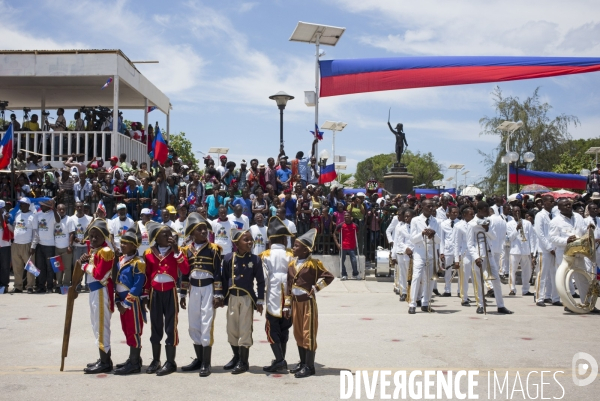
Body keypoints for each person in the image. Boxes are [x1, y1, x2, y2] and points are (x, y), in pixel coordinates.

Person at [284, 228, 334, 378]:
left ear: (306, 250)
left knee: (308, 333)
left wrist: (317, 288)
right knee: (298, 332)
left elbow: (329, 277)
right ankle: (303, 361)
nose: (293, 248)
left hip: (308, 303)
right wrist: (287, 305)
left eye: (296, 246)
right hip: (295, 303)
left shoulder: (313, 264)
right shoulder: (291, 265)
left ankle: (309, 366)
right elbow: (288, 285)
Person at [143, 221, 190, 375]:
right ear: (157, 237)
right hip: (155, 293)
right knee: (155, 326)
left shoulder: (177, 251)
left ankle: (170, 362)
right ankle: (156, 360)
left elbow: (185, 269)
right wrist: (146, 295)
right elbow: (146, 276)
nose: (170, 237)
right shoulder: (149, 253)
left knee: (171, 327)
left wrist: (177, 252)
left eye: (170, 234)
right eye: (165, 235)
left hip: (170, 292)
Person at [180, 213, 223, 377]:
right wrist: (183, 294)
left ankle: (206, 362)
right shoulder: (187, 250)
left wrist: (218, 294)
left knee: (206, 323)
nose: (204, 232)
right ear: (192, 233)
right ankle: (198, 359)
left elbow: (217, 273)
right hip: (193, 289)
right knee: (193, 323)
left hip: (208, 289)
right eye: (200, 229)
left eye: (205, 229)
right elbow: (185, 274)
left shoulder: (214, 249)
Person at [221, 229, 265, 374]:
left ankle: (244, 362)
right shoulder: (228, 258)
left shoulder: (255, 259)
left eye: (251, 239)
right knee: (232, 329)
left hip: (247, 298)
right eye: (245, 240)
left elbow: (260, 281)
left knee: (245, 329)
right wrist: (221, 297)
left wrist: (259, 300)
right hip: (232, 297)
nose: (250, 242)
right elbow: (224, 278)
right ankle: (236, 356)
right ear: (236, 243)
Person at [550, 199, 599, 314]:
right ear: (559, 208)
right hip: (565, 254)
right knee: (563, 280)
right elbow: (553, 238)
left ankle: (588, 304)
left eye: (569, 204)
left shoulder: (578, 217)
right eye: (565, 205)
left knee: (582, 279)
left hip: (579, 252)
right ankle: (567, 304)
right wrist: (566, 240)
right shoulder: (555, 221)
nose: (568, 206)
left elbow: (582, 231)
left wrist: (588, 230)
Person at [80, 219, 115, 374]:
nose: (93, 239)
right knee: (96, 326)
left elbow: (100, 275)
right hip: (94, 291)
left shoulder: (106, 252)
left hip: (101, 291)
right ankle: (102, 358)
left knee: (101, 327)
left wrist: (85, 266)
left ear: (104, 237)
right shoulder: (96, 251)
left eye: (96, 236)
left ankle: (106, 362)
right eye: (91, 236)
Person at [260, 216, 294, 372]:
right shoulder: (291, 254)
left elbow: (264, 278)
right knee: (284, 327)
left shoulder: (266, 255)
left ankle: (279, 360)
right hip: (288, 294)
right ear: (282, 239)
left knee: (272, 327)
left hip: (273, 294)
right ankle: (281, 359)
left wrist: (261, 297)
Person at [113, 226, 147, 375]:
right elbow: (116, 280)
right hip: (122, 301)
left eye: (125, 243)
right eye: (121, 242)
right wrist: (117, 301)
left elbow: (137, 285)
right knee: (126, 329)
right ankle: (132, 358)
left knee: (134, 330)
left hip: (131, 303)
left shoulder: (138, 262)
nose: (122, 245)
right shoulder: (121, 259)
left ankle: (134, 363)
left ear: (134, 245)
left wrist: (126, 303)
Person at [407, 199, 440, 314]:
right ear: (422, 207)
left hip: (431, 253)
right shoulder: (416, 220)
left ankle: (426, 303)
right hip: (419, 253)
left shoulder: (436, 221)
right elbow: (412, 239)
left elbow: (439, 240)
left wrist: (433, 234)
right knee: (416, 277)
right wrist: (422, 233)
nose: (431, 208)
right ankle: (412, 303)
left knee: (429, 279)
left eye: (432, 206)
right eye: (428, 206)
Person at [534, 195, 560, 306]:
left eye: (553, 201)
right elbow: (540, 233)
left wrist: (554, 247)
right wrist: (549, 247)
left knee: (554, 274)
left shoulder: (554, 215)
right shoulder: (540, 215)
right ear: (544, 202)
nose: (552, 203)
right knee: (542, 274)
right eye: (550, 201)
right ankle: (539, 297)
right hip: (544, 249)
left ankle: (553, 297)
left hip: (554, 249)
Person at [8, 198, 36, 293]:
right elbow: (14, 228)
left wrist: (33, 246)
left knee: (30, 267)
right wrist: (7, 224)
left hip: (27, 244)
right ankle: (18, 286)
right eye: (20, 204)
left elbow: (35, 233)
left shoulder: (33, 216)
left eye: (23, 204)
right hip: (16, 244)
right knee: (17, 267)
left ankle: (30, 286)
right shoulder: (17, 214)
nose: (21, 205)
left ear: (28, 205)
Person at [506, 206, 535, 296]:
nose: (517, 213)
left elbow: (532, 238)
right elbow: (510, 238)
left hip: (526, 250)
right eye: (515, 211)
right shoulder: (509, 224)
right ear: (512, 212)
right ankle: (512, 289)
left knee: (527, 271)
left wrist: (533, 252)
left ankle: (525, 290)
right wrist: (516, 229)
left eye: (518, 211)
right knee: (512, 271)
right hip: (515, 250)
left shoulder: (527, 223)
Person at [32, 199, 60, 293]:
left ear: (48, 206)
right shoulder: (37, 214)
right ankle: (41, 286)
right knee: (40, 266)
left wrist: (54, 209)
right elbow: (35, 231)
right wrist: (34, 245)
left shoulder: (53, 214)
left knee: (49, 267)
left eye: (43, 205)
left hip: (50, 245)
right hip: (40, 244)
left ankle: (49, 287)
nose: (41, 206)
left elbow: (58, 220)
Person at [71, 201, 93, 292]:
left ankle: (88, 284)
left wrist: (85, 240)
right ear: (75, 208)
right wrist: (77, 240)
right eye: (78, 207)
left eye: (81, 207)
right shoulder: (71, 219)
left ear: (84, 208)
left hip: (87, 246)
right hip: (76, 246)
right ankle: (78, 284)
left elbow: (92, 232)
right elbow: (71, 233)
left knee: (88, 264)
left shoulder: (90, 218)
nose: (80, 208)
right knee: (78, 265)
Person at [54, 204, 76, 291]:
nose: (62, 211)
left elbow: (72, 234)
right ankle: (58, 284)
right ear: (57, 210)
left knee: (67, 268)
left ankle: (66, 285)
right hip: (56, 247)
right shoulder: (54, 219)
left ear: (65, 210)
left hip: (66, 248)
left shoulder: (69, 219)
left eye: (63, 209)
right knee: (58, 267)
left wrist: (70, 246)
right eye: (60, 209)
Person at [439, 206, 459, 297]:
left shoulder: (460, 223)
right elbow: (441, 239)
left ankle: (460, 290)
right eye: (453, 212)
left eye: (456, 212)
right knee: (448, 271)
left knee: (460, 272)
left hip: (458, 250)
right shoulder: (443, 224)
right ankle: (447, 290)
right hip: (448, 250)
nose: (455, 214)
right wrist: (441, 252)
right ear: (449, 213)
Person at [333, 212, 360, 280]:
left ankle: (355, 274)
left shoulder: (355, 226)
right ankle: (344, 274)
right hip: (343, 246)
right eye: (345, 216)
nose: (346, 217)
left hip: (352, 246)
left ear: (351, 216)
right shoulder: (341, 225)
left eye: (348, 215)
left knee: (354, 261)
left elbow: (358, 234)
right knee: (342, 261)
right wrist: (337, 244)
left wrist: (356, 243)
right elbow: (334, 234)